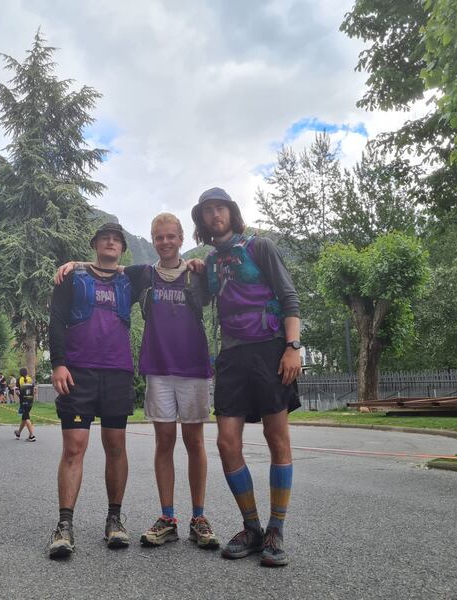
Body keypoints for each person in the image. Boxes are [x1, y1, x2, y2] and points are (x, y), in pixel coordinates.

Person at [55, 213, 219, 550]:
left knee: (188, 443)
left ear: (181, 238)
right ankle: (162, 518)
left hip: (168, 370)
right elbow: (100, 272)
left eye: (171, 236)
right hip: (139, 370)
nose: (165, 242)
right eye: (159, 237)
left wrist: (202, 264)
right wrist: (74, 263)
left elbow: (219, 291)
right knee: (155, 444)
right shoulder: (137, 274)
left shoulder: (183, 275)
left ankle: (192, 518)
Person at [192, 187, 301, 568]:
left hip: (271, 349)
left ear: (231, 212)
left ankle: (276, 530)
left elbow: (289, 297)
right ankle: (252, 527)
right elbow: (199, 302)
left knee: (277, 437)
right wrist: (194, 272)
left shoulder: (260, 247)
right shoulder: (209, 262)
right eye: (207, 211)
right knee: (226, 442)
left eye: (220, 208)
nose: (214, 214)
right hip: (232, 357)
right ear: (202, 220)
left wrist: (293, 346)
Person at [47, 223, 138, 558]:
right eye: (104, 238)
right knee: (74, 447)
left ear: (123, 249)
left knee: (116, 446)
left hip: (117, 373)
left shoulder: (132, 279)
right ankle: (64, 526)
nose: (110, 242)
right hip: (78, 372)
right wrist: (58, 363)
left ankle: (114, 520)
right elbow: (56, 320)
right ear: (95, 244)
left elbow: (165, 271)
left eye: (116, 239)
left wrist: (194, 264)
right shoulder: (71, 278)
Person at [14, 368, 36, 442]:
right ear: (27, 373)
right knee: (24, 417)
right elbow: (34, 390)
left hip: (23, 401)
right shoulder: (30, 379)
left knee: (26, 417)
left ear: (20, 373)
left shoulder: (19, 380)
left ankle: (32, 435)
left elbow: (17, 392)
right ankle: (18, 433)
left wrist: (20, 396)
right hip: (30, 400)